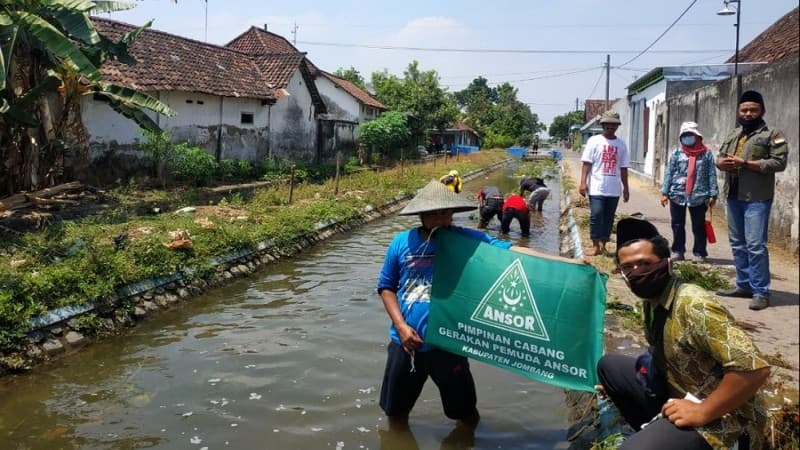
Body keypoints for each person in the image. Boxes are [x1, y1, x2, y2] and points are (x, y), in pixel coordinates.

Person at [377, 180, 581, 434]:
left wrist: (569, 264)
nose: (442, 220)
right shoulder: (401, 243)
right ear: (423, 215)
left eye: (446, 213)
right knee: (396, 414)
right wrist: (401, 325)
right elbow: (386, 287)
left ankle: (464, 441)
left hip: (449, 341)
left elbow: (512, 252)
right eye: (436, 213)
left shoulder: (466, 240)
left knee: (466, 414)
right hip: (405, 342)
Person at [596, 217, 770, 450]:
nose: (637, 272)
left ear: (667, 264)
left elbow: (755, 369)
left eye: (645, 263)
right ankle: (656, 433)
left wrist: (703, 411)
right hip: (683, 393)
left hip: (726, 417)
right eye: (628, 268)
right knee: (609, 368)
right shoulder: (651, 302)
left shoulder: (693, 304)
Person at [715, 90, 789, 311]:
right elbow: (720, 156)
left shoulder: (773, 134)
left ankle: (761, 292)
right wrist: (721, 164)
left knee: (755, 246)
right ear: (739, 111)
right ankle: (744, 286)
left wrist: (746, 164)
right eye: (744, 110)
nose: (748, 114)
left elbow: (779, 163)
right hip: (733, 195)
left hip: (757, 197)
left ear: (762, 111)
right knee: (738, 244)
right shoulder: (733, 134)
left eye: (753, 110)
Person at [660, 121, 718, 263]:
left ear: (697, 136)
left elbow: (711, 173)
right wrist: (665, 192)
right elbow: (669, 172)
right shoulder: (676, 153)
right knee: (677, 224)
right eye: (685, 135)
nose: (688, 137)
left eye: (690, 135)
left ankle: (699, 252)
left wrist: (713, 194)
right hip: (677, 194)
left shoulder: (706, 154)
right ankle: (678, 251)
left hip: (699, 195)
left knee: (698, 225)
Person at [579, 110, 630, 256]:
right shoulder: (594, 141)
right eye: (607, 124)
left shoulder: (621, 145)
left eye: (613, 125)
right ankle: (595, 244)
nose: (610, 127)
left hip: (613, 188)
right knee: (597, 214)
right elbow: (587, 163)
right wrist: (583, 182)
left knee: (609, 217)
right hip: (596, 186)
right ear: (603, 125)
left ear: (617, 126)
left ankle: (604, 243)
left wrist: (626, 188)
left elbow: (624, 167)